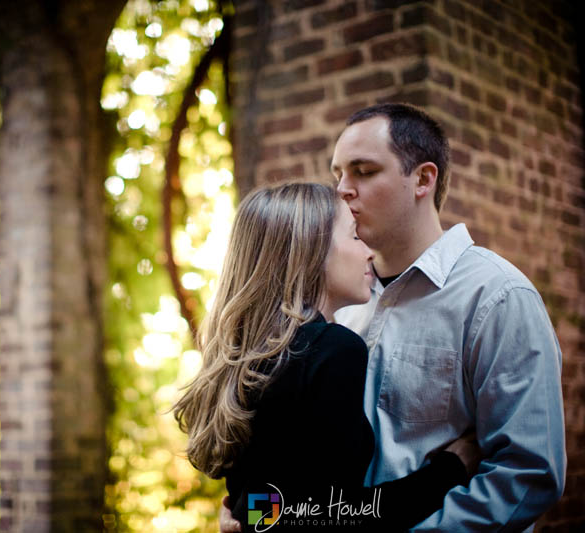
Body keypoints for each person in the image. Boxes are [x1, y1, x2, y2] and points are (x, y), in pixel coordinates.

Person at [219, 104, 566, 532]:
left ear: (423, 179)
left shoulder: (497, 297)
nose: (343, 190)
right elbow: (299, 487)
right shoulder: (330, 304)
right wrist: (250, 513)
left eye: (363, 171)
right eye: (338, 174)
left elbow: (526, 475)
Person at [174, 181, 479, 532]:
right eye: (354, 236)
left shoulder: (248, 359)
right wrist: (451, 469)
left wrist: (244, 516)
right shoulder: (334, 349)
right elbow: (339, 516)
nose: (369, 252)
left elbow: (272, 509)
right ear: (310, 252)